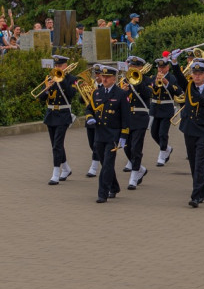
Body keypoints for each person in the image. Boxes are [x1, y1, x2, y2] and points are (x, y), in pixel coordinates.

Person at [170, 57, 204, 207]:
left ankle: (196, 196)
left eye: (200, 73)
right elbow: (178, 76)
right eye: (195, 73)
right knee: (193, 163)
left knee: (199, 164)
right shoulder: (189, 87)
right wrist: (174, 62)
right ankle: (203, 191)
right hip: (189, 130)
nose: (197, 76)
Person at [87, 65, 131, 203]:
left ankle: (102, 193)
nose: (104, 79)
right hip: (99, 133)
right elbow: (89, 109)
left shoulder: (121, 94)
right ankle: (114, 186)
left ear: (114, 79)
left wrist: (124, 136)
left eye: (107, 77)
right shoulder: (97, 93)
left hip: (113, 134)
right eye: (103, 77)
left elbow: (126, 117)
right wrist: (90, 118)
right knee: (104, 162)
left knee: (107, 165)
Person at [39, 55, 78, 185]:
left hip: (63, 114)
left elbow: (72, 94)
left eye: (59, 66)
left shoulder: (72, 79)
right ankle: (66, 168)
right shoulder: (50, 79)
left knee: (57, 144)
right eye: (56, 66)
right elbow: (41, 98)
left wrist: (61, 80)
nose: (57, 68)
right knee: (56, 145)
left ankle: (56, 172)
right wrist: (47, 89)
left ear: (65, 66)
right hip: (51, 114)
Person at [120, 56, 153, 190]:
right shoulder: (124, 81)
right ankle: (139, 168)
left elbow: (149, 93)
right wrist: (123, 92)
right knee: (126, 147)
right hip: (127, 117)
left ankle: (133, 177)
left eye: (135, 66)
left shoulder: (147, 80)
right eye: (131, 66)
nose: (132, 68)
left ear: (141, 67)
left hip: (140, 116)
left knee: (136, 147)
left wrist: (137, 82)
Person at [149, 57, 181, 166]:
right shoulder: (153, 77)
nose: (161, 70)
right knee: (153, 133)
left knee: (163, 133)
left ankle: (162, 155)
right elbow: (150, 91)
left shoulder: (172, 78)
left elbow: (178, 92)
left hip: (167, 109)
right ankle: (166, 148)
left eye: (163, 67)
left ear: (168, 67)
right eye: (159, 67)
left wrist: (167, 83)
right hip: (155, 109)